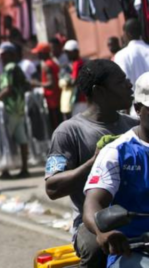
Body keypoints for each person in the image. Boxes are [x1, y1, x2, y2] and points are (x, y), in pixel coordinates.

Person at [45, 59, 136, 268]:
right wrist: (94, 162)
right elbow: (52, 187)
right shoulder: (69, 131)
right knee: (97, 249)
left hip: (136, 213)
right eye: (120, 82)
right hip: (92, 220)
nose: (129, 86)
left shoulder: (134, 126)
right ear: (99, 91)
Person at [82, 72, 149, 268]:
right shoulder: (117, 151)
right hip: (133, 250)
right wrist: (103, 232)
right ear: (137, 109)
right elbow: (93, 202)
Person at [0, 42, 30, 178]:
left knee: (6, 139)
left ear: (10, 54)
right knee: (22, 139)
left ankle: (6, 170)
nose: (1, 58)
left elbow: (8, 88)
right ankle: (24, 169)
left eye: (3, 55)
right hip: (19, 108)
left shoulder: (9, 68)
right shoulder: (17, 67)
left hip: (10, 108)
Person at [114, 18, 149, 99]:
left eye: (124, 33)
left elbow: (123, 84)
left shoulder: (121, 55)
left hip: (137, 108)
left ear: (128, 34)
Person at [31, 42, 62, 131]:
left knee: (57, 129)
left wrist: (36, 83)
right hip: (57, 99)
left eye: (39, 53)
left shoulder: (47, 65)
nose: (37, 55)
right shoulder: (53, 63)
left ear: (43, 53)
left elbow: (51, 84)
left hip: (53, 102)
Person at [65, 40, 88, 116]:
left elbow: (73, 81)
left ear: (75, 52)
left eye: (69, 53)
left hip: (79, 99)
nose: (67, 55)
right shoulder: (82, 61)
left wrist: (66, 82)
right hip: (85, 98)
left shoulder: (77, 63)